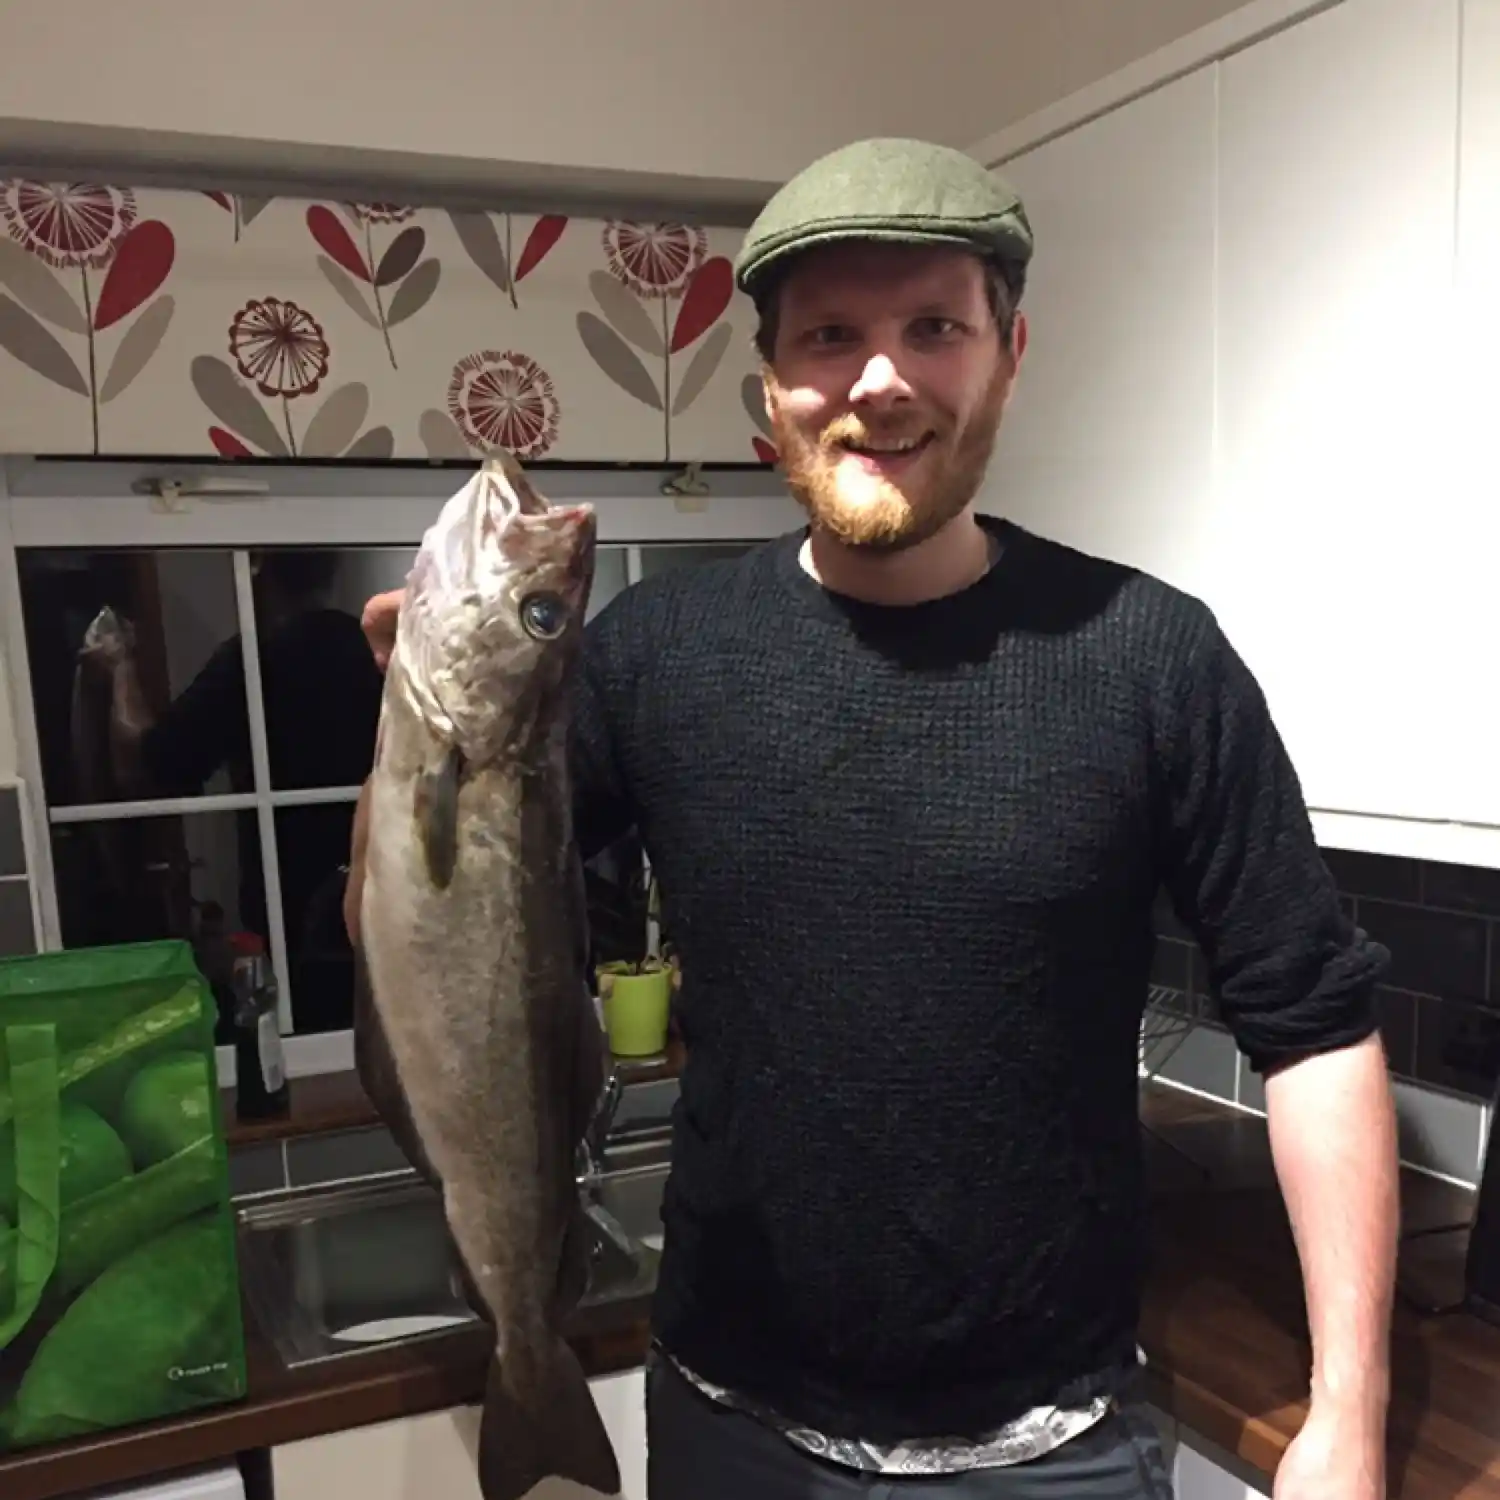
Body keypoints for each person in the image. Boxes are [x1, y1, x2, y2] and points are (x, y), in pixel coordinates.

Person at [345, 137, 1399, 1499]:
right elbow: (468, 945)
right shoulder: (655, 658)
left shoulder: (1154, 659)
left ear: (1011, 355)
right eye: (830, 335)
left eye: (934, 328)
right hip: (733, 1429)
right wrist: (413, 739)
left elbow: (1314, 1029)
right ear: (772, 392)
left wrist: (1348, 1413)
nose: (881, 376)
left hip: (1059, 1448)